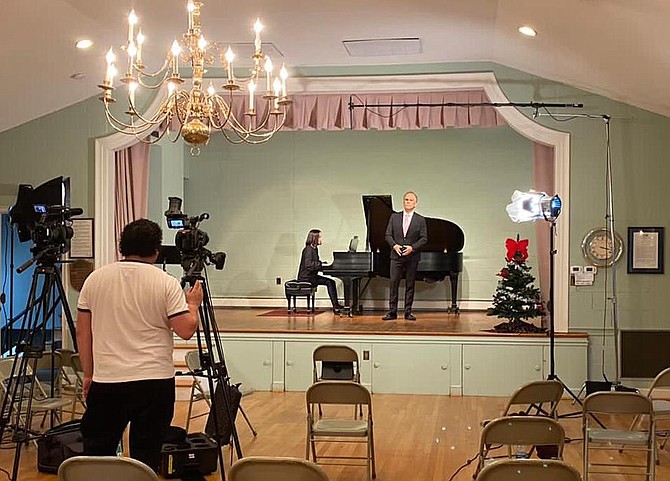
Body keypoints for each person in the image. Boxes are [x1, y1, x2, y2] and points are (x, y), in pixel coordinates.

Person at [76, 219, 203, 471]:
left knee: (97, 455)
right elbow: (186, 330)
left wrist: (89, 373)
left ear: (121, 246)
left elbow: (83, 332)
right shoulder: (165, 281)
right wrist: (193, 305)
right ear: (156, 250)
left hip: (107, 379)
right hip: (154, 381)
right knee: (145, 459)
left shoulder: (94, 279)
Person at [383, 192, 428, 321]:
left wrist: (412, 248)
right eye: (406, 200)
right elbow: (388, 235)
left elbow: (424, 238)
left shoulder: (420, 220)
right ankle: (392, 312)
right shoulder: (394, 217)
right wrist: (395, 246)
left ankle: (408, 312)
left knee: (410, 285)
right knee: (393, 284)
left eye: (410, 200)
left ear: (415, 203)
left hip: (412, 256)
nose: (407, 202)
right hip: (396, 255)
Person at [298, 229, 344, 314]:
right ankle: (336, 307)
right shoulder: (308, 249)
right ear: (314, 238)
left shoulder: (314, 249)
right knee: (330, 282)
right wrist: (320, 264)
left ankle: (336, 306)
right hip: (306, 277)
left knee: (330, 282)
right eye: (320, 237)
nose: (321, 239)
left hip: (311, 276)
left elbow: (314, 264)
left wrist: (322, 264)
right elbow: (309, 265)